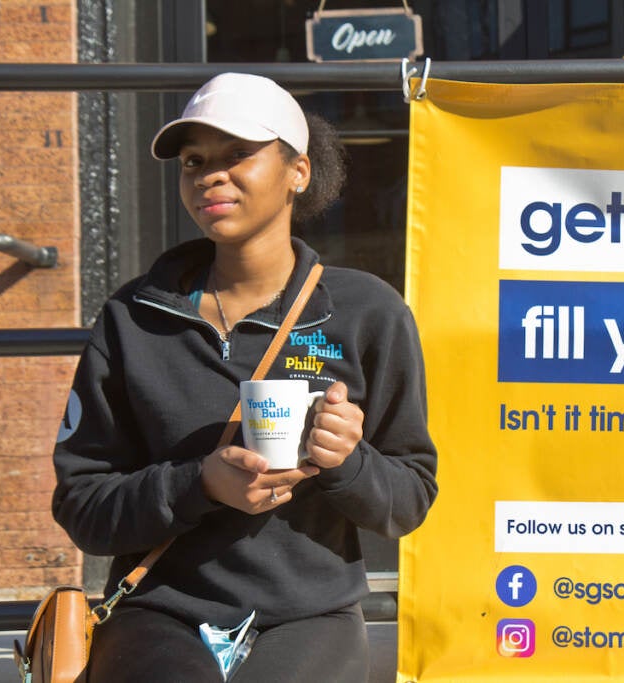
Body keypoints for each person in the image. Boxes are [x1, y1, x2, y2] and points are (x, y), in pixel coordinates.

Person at [51, 72, 438, 682]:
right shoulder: (134, 317)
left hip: (310, 616)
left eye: (238, 155)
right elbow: (82, 505)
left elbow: (409, 499)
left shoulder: (366, 312)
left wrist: (348, 461)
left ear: (298, 172)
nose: (210, 175)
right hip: (160, 613)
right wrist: (197, 485)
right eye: (194, 161)